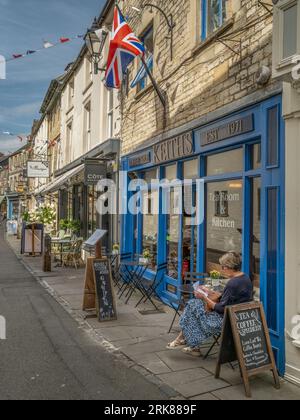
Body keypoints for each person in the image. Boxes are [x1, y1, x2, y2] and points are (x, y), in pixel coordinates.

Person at [167, 252, 253, 357]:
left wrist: (204, 296)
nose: (222, 269)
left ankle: (186, 342)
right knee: (194, 306)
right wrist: (213, 293)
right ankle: (188, 343)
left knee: (192, 305)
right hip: (239, 318)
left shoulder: (232, 283)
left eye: (223, 267)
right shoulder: (245, 278)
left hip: (224, 322)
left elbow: (220, 308)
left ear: (228, 267)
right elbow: (231, 300)